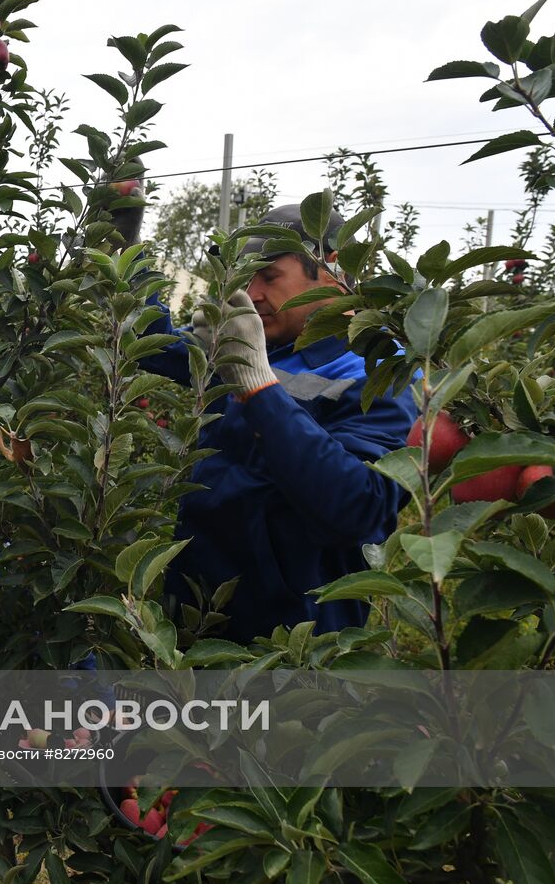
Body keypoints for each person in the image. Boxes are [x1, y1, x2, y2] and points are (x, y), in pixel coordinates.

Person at [139, 203, 417, 643]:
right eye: (246, 278)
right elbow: (150, 344)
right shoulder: (264, 345)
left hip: (291, 643)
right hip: (197, 615)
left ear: (333, 270)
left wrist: (257, 384)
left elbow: (360, 509)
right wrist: (126, 239)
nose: (252, 294)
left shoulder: (378, 372)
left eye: (269, 277)